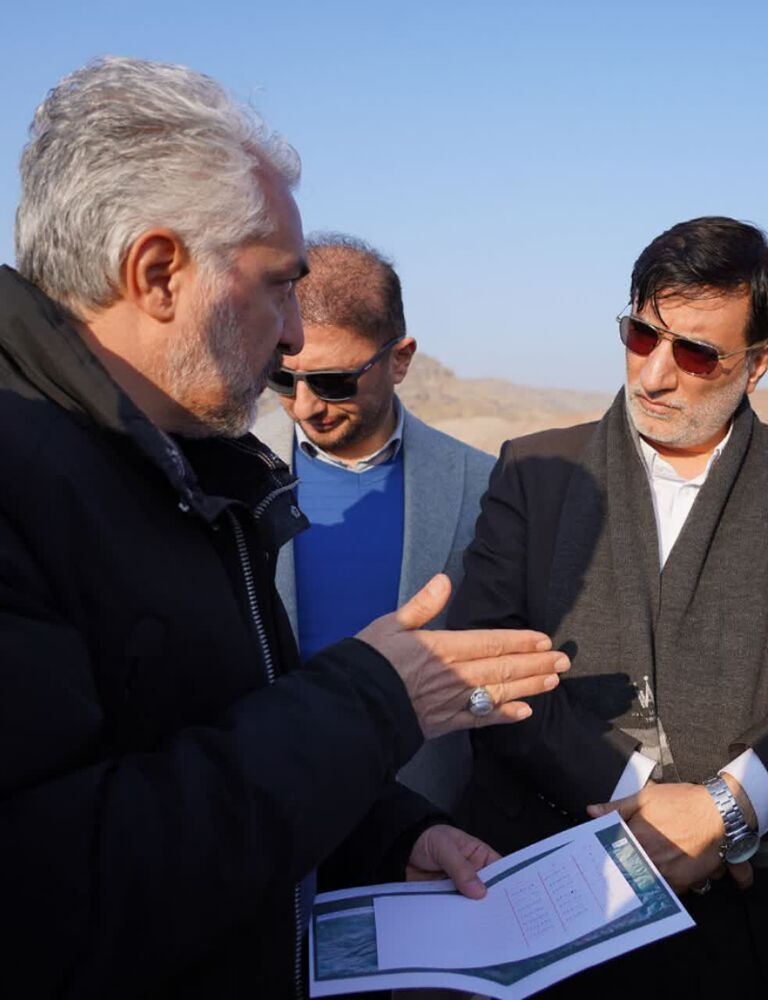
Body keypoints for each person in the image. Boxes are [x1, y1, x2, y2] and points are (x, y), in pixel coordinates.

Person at [0, 57, 568, 999]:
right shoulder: (21, 481)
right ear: (157, 274)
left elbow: (212, 742)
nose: (296, 336)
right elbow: (50, 890)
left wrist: (388, 834)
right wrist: (373, 699)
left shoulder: (184, 468)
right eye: (276, 285)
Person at [448, 215, 768, 996]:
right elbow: (488, 660)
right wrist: (645, 802)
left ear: (759, 363)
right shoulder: (535, 471)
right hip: (555, 894)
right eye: (641, 335)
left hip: (754, 921)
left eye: (695, 354)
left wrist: (728, 808)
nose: (653, 376)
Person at [255, 234, 495, 810]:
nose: (305, 406)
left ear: (400, 359)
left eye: (334, 381)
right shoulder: (224, 474)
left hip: (429, 815)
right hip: (266, 802)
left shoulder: (485, 484)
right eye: (283, 379)